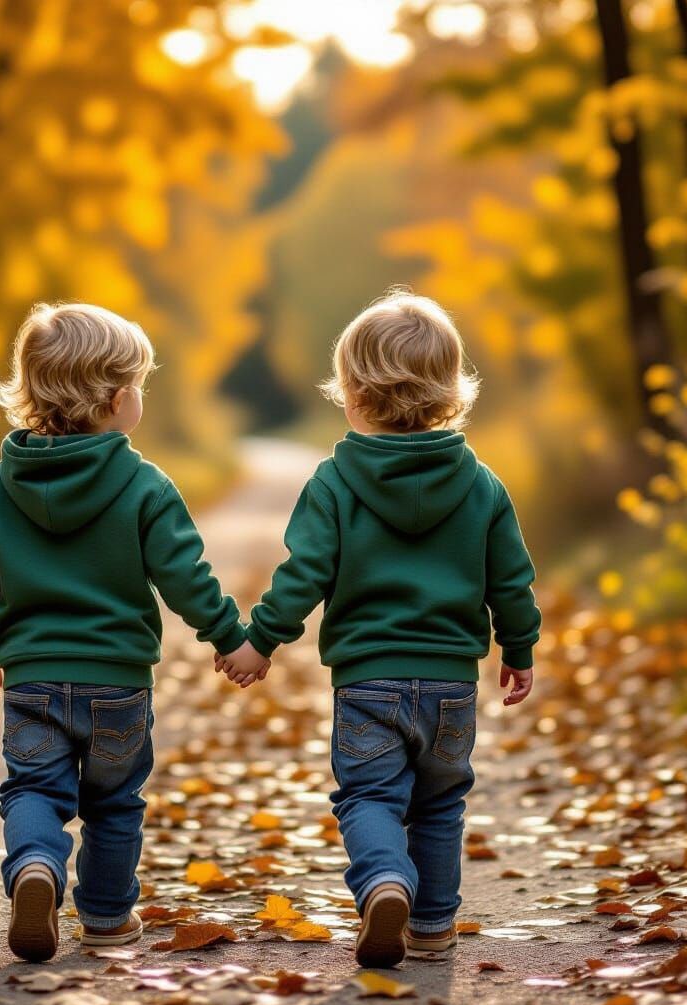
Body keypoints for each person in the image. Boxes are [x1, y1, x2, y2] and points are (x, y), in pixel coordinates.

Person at [217, 289, 540, 968]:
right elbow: (510, 579)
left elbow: (304, 574)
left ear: (353, 394)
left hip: (368, 682)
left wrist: (259, 642)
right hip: (451, 683)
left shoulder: (334, 483)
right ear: (450, 392)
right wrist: (519, 648)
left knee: (368, 795)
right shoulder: (481, 484)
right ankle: (430, 927)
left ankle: (383, 880)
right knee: (441, 804)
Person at [0, 302, 268, 962]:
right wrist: (230, 637)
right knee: (115, 801)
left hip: (33, 678)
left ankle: (36, 866)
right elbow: (184, 575)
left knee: (34, 788)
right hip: (118, 684)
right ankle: (104, 917)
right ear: (122, 398)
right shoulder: (144, 485)